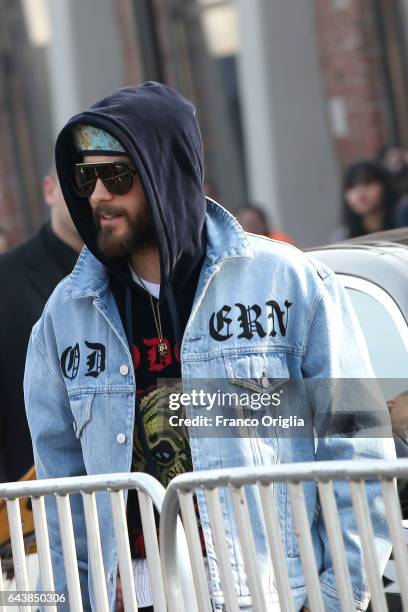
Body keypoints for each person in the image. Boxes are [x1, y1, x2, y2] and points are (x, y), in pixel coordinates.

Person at [24, 82, 395, 612]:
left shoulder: (288, 283)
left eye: (118, 176)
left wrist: (336, 597)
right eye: (86, 178)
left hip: (266, 596)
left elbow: (357, 448)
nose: (99, 196)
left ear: (164, 175)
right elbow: (61, 497)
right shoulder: (65, 316)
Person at [0, 166, 82, 483]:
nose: (95, 194)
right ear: (50, 191)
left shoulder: (140, 276)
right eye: (80, 182)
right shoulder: (7, 282)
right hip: (33, 511)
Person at [331, 160, 397, 241]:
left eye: (367, 183)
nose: (360, 192)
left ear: (384, 186)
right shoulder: (343, 238)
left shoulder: (403, 223)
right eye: (352, 186)